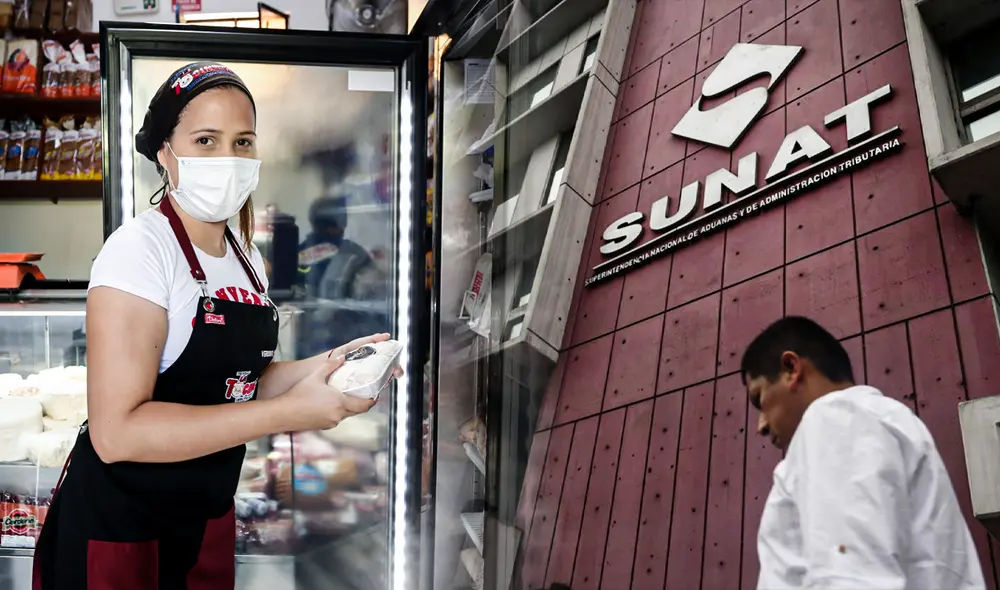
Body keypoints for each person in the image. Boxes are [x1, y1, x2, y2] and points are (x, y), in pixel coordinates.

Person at [32, 62, 398, 589]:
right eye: (206, 140)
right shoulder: (139, 250)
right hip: (122, 531)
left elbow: (237, 383)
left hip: (205, 519)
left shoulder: (244, 256)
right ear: (165, 152)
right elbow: (116, 434)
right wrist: (288, 413)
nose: (228, 158)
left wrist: (331, 365)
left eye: (242, 141)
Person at [742, 316, 985, 590]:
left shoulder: (834, 418)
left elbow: (851, 577)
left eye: (759, 398)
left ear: (791, 368)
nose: (761, 425)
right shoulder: (890, 422)